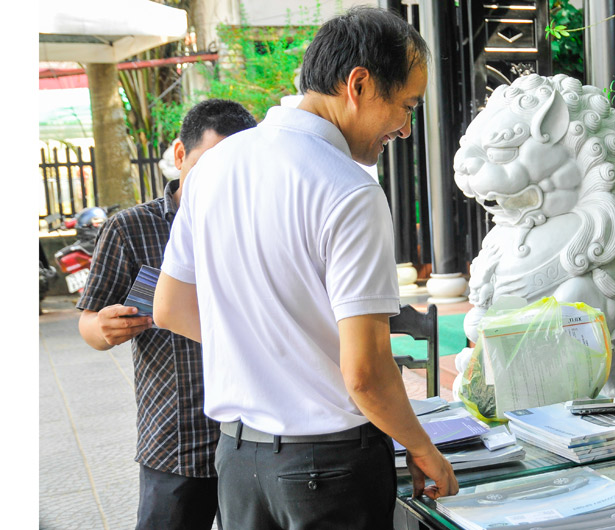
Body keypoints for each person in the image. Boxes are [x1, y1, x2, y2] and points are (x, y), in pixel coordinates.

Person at [152, 7, 458, 529]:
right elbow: (365, 373)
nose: (405, 130)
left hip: (238, 459)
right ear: (358, 84)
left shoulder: (213, 168)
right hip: (329, 467)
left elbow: (171, 307)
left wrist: (270, 353)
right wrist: (422, 447)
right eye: (406, 106)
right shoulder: (350, 190)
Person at [77, 98, 257, 529]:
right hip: (176, 437)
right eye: (206, 166)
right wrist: (103, 328)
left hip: (254, 436)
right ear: (179, 155)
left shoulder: (255, 221)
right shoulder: (130, 228)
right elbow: (88, 322)